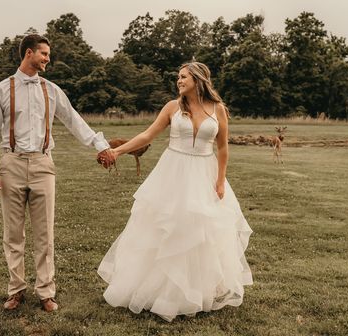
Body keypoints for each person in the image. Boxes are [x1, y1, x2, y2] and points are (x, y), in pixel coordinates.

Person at [97, 62, 253, 322]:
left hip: (204, 172)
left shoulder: (219, 110)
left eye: (183, 77)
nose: (179, 81)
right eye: (178, 77)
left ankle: (196, 292)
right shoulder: (172, 107)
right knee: (167, 228)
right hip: (172, 172)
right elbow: (148, 135)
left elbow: (223, 148)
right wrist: (117, 151)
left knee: (200, 231)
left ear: (198, 79)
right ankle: (156, 291)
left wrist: (221, 180)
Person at [0, 34, 114, 312]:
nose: (48, 59)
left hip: (43, 165)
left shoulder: (52, 90)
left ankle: (45, 292)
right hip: (11, 164)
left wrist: (100, 146)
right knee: (13, 233)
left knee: (45, 233)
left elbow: (74, 120)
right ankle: (16, 289)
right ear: (29, 53)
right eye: (44, 54)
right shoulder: (0, 90)